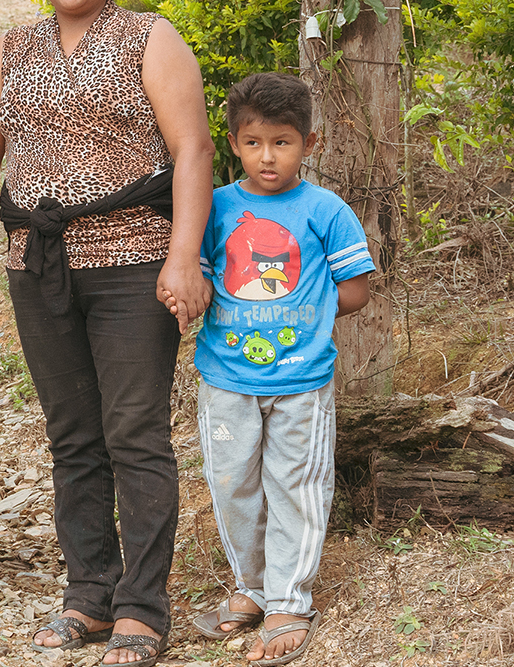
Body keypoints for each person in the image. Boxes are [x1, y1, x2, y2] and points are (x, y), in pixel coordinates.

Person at [0, 0, 215, 667]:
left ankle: (141, 610)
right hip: (40, 266)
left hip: (132, 260)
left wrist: (182, 255)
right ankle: (88, 595)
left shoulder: (149, 38)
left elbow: (192, 151)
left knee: (136, 434)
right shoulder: (15, 49)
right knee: (74, 438)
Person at [184, 73, 373, 666]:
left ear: (309, 144)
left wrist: (301, 312)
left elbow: (357, 291)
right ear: (235, 143)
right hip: (226, 378)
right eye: (255, 142)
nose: (268, 157)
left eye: (283, 142)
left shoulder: (325, 210)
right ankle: (250, 589)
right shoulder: (213, 208)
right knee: (233, 484)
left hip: (300, 382)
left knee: (295, 486)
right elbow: (198, 273)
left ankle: (289, 600)